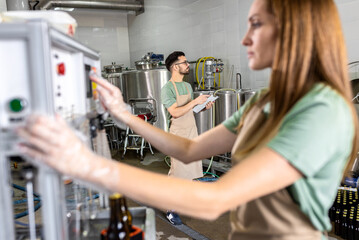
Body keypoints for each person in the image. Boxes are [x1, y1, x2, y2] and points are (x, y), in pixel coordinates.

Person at [17, 0, 359, 239]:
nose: (244, 38)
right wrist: (123, 114)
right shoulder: (267, 101)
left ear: (294, 31)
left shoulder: (320, 109)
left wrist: (90, 166)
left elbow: (216, 200)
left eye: (256, 24)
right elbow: (189, 148)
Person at [161, 51, 212, 225]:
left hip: (191, 131)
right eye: (184, 62)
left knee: (193, 170)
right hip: (177, 135)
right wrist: (194, 102)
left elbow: (190, 110)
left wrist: (203, 106)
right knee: (178, 172)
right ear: (175, 66)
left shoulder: (188, 87)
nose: (187, 65)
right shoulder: (167, 89)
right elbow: (175, 112)